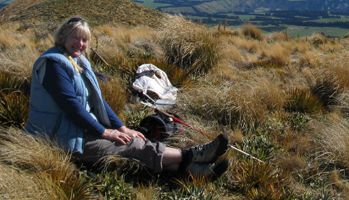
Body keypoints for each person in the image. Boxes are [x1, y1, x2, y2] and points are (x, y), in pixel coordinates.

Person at [24, 16, 229, 180]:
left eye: (84, 39)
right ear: (63, 37)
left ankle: (196, 172)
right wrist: (105, 132)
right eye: (75, 38)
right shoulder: (54, 65)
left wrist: (121, 127)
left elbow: (97, 101)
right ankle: (193, 155)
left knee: (133, 138)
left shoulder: (78, 62)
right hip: (58, 138)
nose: (80, 43)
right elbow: (72, 108)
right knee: (132, 146)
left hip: (78, 131)